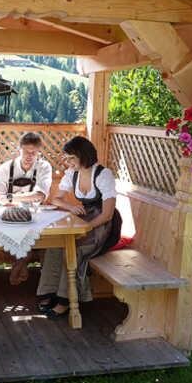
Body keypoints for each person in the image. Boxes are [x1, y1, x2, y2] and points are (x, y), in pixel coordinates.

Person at [36, 136, 121, 318]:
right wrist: (70, 207)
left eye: (71, 158)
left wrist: (85, 228)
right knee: (57, 243)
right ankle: (48, 292)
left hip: (103, 223)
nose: (68, 162)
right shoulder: (71, 173)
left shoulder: (103, 175)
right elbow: (56, 199)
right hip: (84, 216)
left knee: (73, 248)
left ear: (83, 155)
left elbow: (107, 214)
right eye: (67, 158)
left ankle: (64, 300)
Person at [0, 132, 53, 285]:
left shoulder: (44, 167)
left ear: (39, 152)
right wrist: (17, 199)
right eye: (26, 151)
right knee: (5, 231)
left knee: (37, 232)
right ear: (19, 149)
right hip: (8, 216)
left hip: (33, 216)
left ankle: (20, 263)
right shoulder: (5, 168)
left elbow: (40, 195)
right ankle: (23, 260)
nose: (29, 156)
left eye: (34, 153)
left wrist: (11, 197)